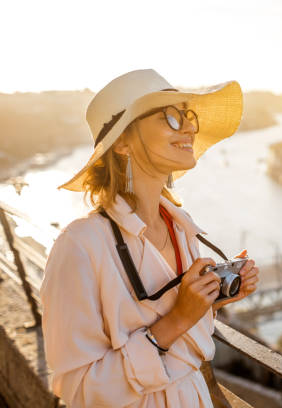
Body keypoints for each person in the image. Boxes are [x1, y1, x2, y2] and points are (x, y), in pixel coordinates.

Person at [40, 69, 259, 407]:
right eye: (169, 117)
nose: (189, 127)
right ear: (123, 143)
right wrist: (180, 318)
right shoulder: (79, 246)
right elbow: (79, 392)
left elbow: (177, 334)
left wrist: (209, 301)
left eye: (187, 115)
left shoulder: (181, 228)